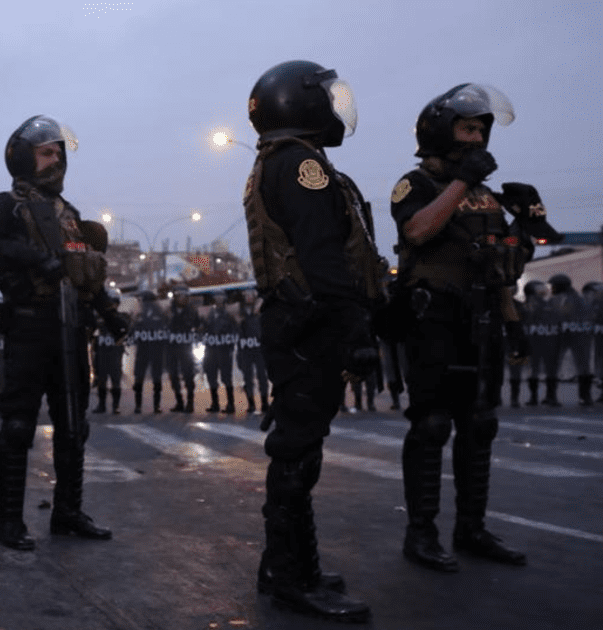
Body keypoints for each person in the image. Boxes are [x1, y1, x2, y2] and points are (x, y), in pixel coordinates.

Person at [244, 60, 382, 621]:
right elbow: (323, 257)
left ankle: (285, 562)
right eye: (328, 96)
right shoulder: (302, 164)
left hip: (297, 321)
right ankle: (292, 577)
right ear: (299, 104)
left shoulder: (279, 162)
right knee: (298, 455)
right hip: (312, 322)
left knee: (298, 449)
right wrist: (355, 330)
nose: (336, 106)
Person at [391, 82, 536, 574]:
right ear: (440, 131)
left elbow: (500, 264)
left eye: (481, 130)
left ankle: (471, 528)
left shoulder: (486, 197)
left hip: (484, 320)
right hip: (435, 321)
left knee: (480, 426)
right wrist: (459, 184)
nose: (476, 138)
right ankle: (422, 534)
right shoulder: (417, 183)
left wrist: (528, 225)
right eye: (467, 127)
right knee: (431, 426)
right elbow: (416, 230)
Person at [0, 114, 128, 551]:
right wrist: (34, 259)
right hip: (30, 327)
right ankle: (9, 522)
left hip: (73, 330)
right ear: (23, 157)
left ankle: (68, 512)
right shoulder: (7, 205)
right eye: (46, 151)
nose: (56, 158)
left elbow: (83, 274)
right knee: (19, 425)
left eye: (59, 152)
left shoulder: (71, 215)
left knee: (74, 425)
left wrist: (109, 313)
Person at [548, 274, 593, 406]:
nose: (551, 289)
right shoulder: (557, 299)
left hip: (575, 335)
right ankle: (552, 397)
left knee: (582, 366)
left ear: (560, 286)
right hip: (563, 335)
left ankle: (585, 396)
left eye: (553, 286)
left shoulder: (578, 300)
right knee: (556, 365)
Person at [522, 280, 559, 405]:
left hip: (546, 340)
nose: (544, 290)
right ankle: (537, 397)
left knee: (546, 370)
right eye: (540, 288)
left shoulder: (548, 304)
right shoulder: (528, 306)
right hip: (536, 342)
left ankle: (549, 396)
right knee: (536, 370)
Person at [130, 292, 167, 413]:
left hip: (155, 350)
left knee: (156, 378)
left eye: (143, 301)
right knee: (139, 377)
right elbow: (133, 332)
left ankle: (156, 405)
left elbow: (166, 331)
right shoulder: (139, 316)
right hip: (143, 350)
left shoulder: (160, 315)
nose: (142, 304)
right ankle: (138, 405)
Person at [201, 293, 238, 414]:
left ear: (225, 299)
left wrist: (231, 345)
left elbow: (234, 329)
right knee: (211, 375)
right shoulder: (209, 313)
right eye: (216, 297)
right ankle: (215, 403)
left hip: (224, 349)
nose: (218, 299)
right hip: (211, 350)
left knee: (226, 377)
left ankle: (231, 404)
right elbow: (204, 328)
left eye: (221, 297)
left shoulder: (228, 313)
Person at [165, 285, 199, 413]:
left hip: (186, 347)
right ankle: (179, 401)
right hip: (172, 347)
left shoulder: (192, 311)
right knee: (173, 375)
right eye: (180, 296)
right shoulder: (169, 311)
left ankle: (190, 402)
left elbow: (197, 326)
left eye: (185, 296)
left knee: (188, 375)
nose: (183, 298)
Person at [236, 290, 269, 415]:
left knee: (262, 377)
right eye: (246, 294)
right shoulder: (239, 312)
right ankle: (251, 404)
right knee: (248, 378)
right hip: (245, 349)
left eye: (251, 294)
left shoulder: (260, 310)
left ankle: (265, 403)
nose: (248, 297)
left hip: (259, 348)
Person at [91, 290, 125, 414]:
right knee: (101, 381)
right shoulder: (98, 318)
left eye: (114, 303)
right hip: (101, 354)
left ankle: (116, 406)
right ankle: (102, 405)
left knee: (116, 381)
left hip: (115, 354)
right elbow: (93, 337)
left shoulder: (121, 318)